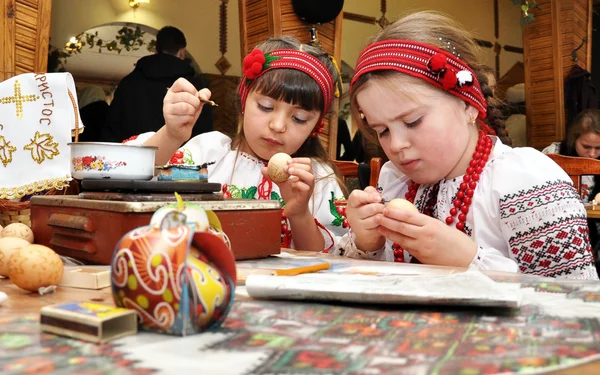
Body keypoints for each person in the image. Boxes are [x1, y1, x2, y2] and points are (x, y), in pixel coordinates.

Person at [332, 11, 598, 280]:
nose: (397, 145)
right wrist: (368, 244)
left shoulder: (524, 182)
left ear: (469, 105)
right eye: (383, 130)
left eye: (412, 121)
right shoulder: (394, 181)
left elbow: (576, 300)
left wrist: (470, 260)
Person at [125, 36, 346, 252]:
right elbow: (128, 178)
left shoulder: (317, 180)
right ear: (244, 101)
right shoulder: (210, 156)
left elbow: (328, 260)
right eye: (266, 107)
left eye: (299, 119)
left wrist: (299, 214)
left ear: (316, 126)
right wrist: (171, 135)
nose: (278, 125)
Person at [102, 26, 212, 143]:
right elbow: (204, 134)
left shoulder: (129, 82)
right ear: (182, 52)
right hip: (182, 157)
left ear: (155, 50)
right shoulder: (195, 87)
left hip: (132, 156)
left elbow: (111, 128)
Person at [542, 109, 600, 202]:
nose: (592, 154)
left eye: (598, 148)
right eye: (586, 146)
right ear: (574, 139)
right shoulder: (553, 154)